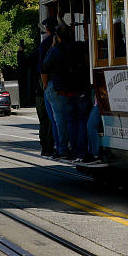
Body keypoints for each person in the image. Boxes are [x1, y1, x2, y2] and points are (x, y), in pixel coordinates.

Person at [43, 23, 73, 158]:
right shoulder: (74, 47)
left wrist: (53, 46)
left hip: (57, 87)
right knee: (73, 119)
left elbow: (44, 66)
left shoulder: (55, 50)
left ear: (57, 37)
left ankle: (62, 149)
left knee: (59, 119)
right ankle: (74, 147)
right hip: (72, 86)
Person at [38, 16, 60, 157]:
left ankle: (56, 147)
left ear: (47, 28)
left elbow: (43, 68)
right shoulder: (62, 42)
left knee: (53, 118)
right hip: (63, 84)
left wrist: (45, 86)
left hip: (51, 85)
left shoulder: (46, 44)